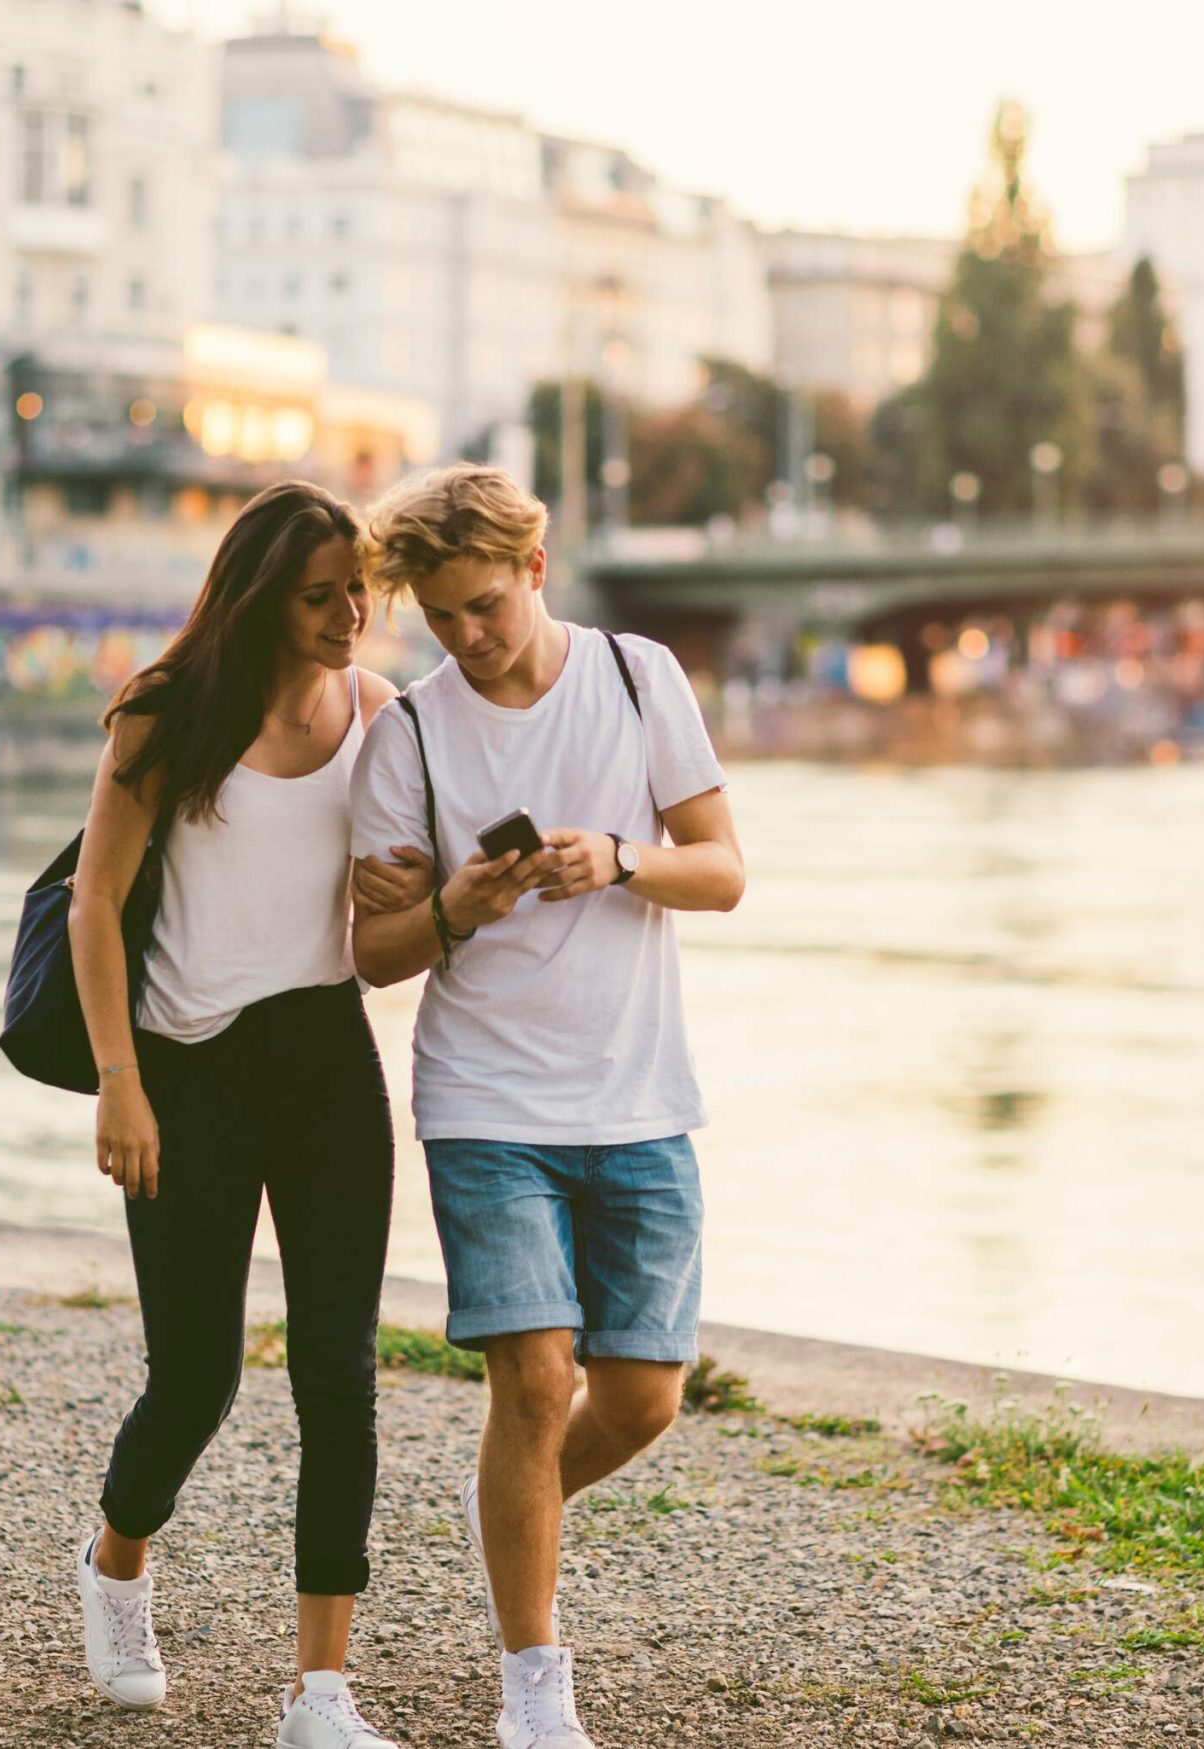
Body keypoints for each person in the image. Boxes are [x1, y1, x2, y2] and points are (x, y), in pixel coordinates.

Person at [346, 465, 745, 1749]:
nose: (462, 637)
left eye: (481, 607)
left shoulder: (640, 677)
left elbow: (724, 871)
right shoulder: (406, 732)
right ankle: (535, 1687)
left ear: (533, 568)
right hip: (485, 1099)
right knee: (532, 1382)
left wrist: (619, 859)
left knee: (639, 1398)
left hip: (638, 1094)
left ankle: (508, 1509)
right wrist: (461, 903)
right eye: (436, 616)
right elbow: (377, 951)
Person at [66, 481, 429, 1749]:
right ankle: (117, 1566)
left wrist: (417, 882)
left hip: (326, 1059)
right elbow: (93, 907)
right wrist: (120, 1081)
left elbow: (387, 902)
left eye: (360, 593)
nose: (352, 616)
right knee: (199, 1375)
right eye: (324, 595)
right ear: (265, 594)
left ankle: (318, 1696)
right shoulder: (171, 714)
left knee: (341, 1375)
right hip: (186, 1070)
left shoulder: (379, 716)